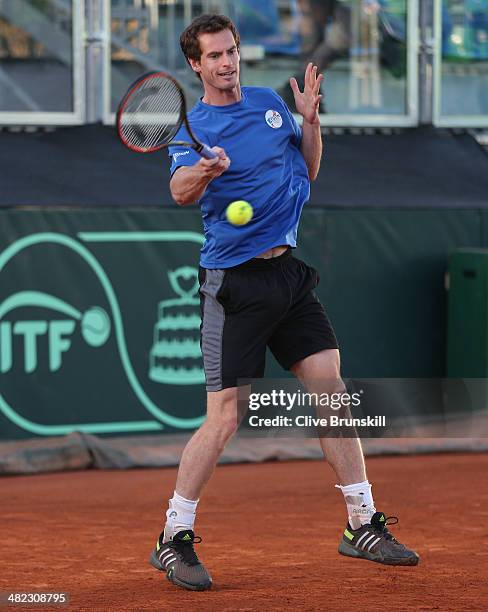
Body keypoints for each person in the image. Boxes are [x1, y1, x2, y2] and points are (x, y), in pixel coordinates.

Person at [149, 13, 419, 592]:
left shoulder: (270, 103)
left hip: (289, 276)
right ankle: (173, 535)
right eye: (215, 56)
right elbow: (177, 192)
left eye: (232, 51)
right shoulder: (191, 125)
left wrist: (309, 121)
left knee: (333, 392)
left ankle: (361, 523)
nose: (227, 62)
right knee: (224, 418)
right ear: (195, 65)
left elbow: (310, 168)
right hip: (234, 284)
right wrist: (204, 167)